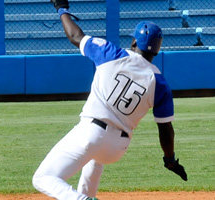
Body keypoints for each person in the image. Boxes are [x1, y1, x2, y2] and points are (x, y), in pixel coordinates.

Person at [32, 1, 187, 199]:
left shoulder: (111, 53)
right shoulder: (159, 83)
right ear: (157, 50)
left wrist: (62, 9)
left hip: (91, 133)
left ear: (133, 42)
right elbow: (166, 130)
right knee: (95, 159)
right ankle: (86, 195)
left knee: (43, 177)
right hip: (117, 148)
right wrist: (170, 160)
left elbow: (74, 36)